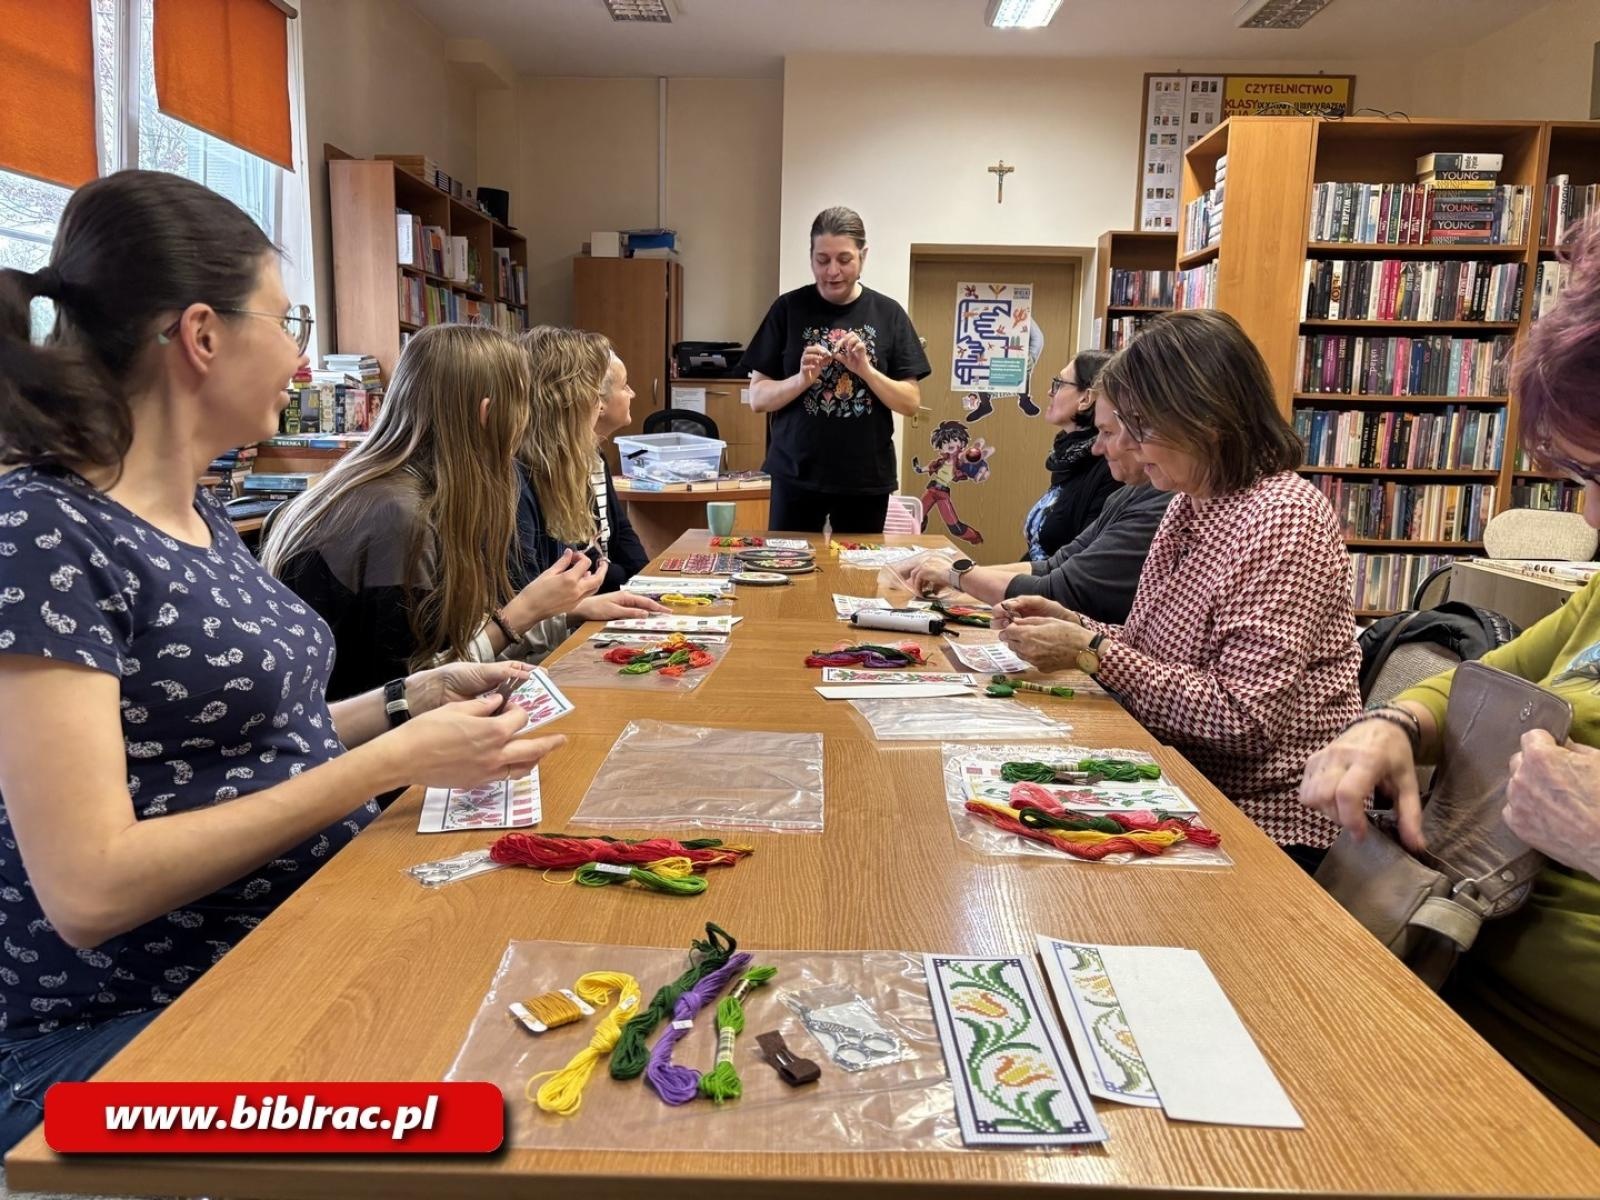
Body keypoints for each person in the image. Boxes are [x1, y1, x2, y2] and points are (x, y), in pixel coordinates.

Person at [0, 170, 560, 1152]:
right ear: (203, 336)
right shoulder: (41, 532)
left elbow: (229, 746)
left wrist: (402, 703)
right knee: (500, 1116)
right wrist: (389, 763)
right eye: (288, 320)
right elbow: (90, 889)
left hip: (288, 953)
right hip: (128, 1037)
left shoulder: (195, 512)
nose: (304, 357)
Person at [1300, 215, 1600, 1138]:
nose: (1590, 509)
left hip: (1542, 1092)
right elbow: (1479, 677)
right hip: (1434, 979)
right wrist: (1392, 722)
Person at [994, 310, 1361, 865]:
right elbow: (1148, 647)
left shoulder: (1284, 518)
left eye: (1142, 426)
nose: (1130, 447)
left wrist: (1090, 652)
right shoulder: (1191, 501)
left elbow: (1242, 720)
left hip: (1261, 822)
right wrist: (1075, 627)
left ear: (1204, 418)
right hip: (1184, 784)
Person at [264, 324, 616, 700]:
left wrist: (567, 614)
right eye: (524, 404)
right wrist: (522, 613)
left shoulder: (394, 491)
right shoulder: (399, 517)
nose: (527, 420)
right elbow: (411, 694)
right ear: (489, 413)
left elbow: (451, 653)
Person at [907, 390, 1171, 623]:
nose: (1098, 448)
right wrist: (957, 572)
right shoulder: (1129, 491)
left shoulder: (1155, 501)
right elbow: (1056, 564)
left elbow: (1060, 590)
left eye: (1108, 432)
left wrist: (958, 576)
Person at [744, 206, 931, 533]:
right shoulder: (788, 309)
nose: (832, 271)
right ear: (811, 257)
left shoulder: (889, 314)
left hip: (865, 478)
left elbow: (910, 402)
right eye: (822, 259)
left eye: (844, 259)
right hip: (795, 474)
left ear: (863, 256)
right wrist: (802, 380)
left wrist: (866, 371)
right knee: (787, 573)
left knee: (858, 578)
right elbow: (758, 398)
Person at [1019, 350, 1120, 562]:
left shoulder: (1110, 467)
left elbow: (1081, 561)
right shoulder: (1068, 459)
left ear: (1087, 398)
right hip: (1036, 583)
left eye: (1059, 383)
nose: (1049, 391)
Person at [591, 348, 649, 589]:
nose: (632, 393)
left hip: (613, 588)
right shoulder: (556, 467)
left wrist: (647, 581)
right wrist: (625, 580)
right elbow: (587, 560)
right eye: (625, 386)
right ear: (599, 403)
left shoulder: (597, 456)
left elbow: (621, 531)